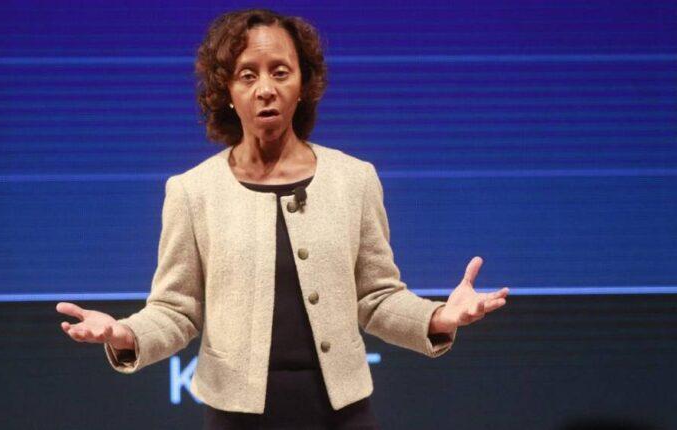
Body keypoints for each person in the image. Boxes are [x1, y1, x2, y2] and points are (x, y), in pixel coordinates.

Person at [56, 8, 510, 429]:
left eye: (280, 71)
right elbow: (177, 311)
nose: (265, 89)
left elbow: (377, 298)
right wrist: (124, 333)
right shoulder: (193, 191)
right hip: (237, 417)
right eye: (247, 75)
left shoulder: (354, 179)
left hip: (342, 414)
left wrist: (439, 317)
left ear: (303, 84)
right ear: (226, 92)